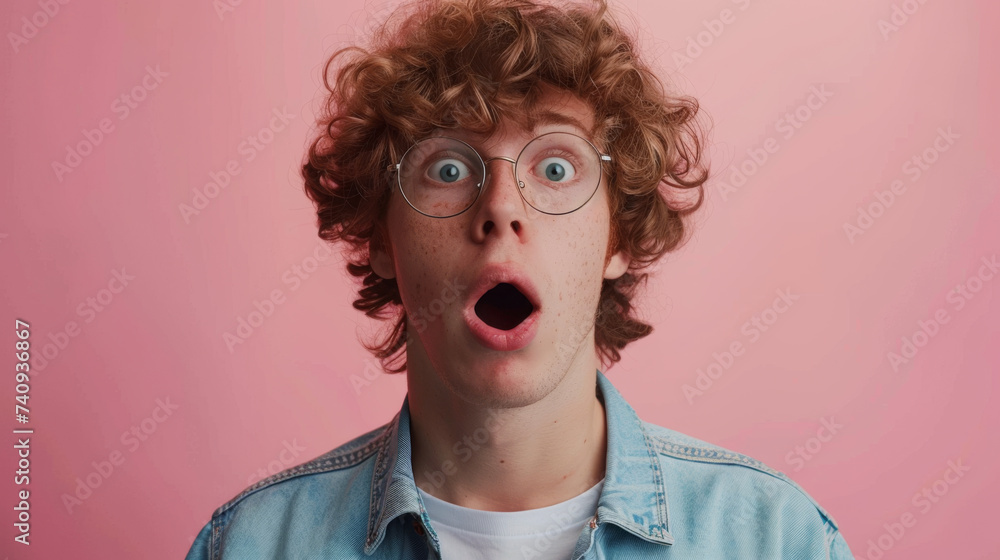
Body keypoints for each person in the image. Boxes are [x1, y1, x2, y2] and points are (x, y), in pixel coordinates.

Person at [185, 0, 855, 558]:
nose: (501, 207)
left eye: (557, 167)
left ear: (617, 235)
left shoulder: (775, 540)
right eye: (446, 170)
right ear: (382, 235)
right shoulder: (252, 545)